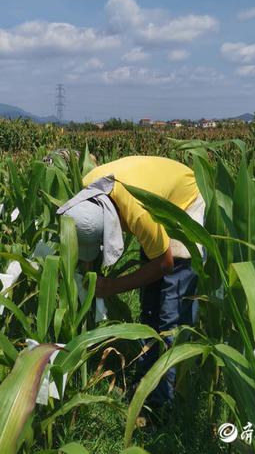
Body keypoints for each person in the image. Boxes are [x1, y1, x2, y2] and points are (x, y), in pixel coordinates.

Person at [56, 155, 205, 407]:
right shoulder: (90, 186)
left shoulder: (137, 211)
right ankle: (146, 377)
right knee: (150, 305)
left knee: (170, 316)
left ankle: (161, 405)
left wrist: (113, 287)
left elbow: (165, 263)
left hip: (184, 204)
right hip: (156, 197)